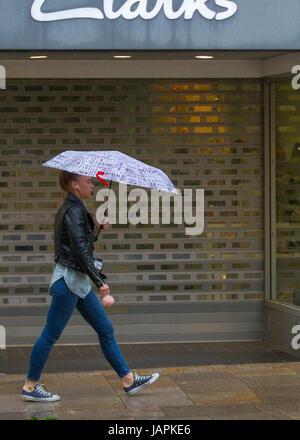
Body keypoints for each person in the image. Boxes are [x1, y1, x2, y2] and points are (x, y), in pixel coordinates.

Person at [21, 170, 159, 402]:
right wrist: (100, 282)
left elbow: (78, 244)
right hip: (69, 283)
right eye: (88, 181)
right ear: (76, 185)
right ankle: (30, 387)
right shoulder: (74, 210)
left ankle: (128, 380)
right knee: (50, 335)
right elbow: (79, 252)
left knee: (105, 330)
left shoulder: (75, 208)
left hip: (78, 283)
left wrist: (96, 232)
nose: (93, 185)